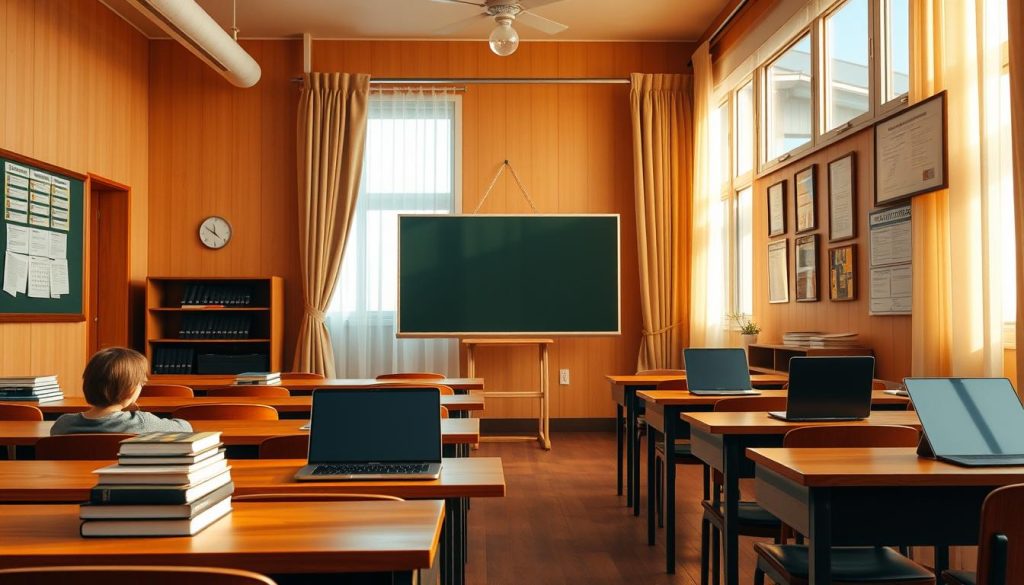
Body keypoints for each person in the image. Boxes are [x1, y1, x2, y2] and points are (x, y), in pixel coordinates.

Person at [50, 347, 192, 435]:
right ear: (130, 390)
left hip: (76, 481)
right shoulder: (142, 422)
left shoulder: (63, 424)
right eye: (141, 383)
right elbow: (185, 428)